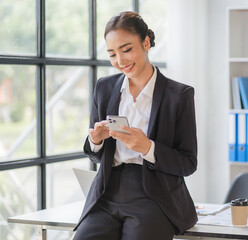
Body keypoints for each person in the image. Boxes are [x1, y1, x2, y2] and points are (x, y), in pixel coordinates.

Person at [73, 11, 198, 240]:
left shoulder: (178, 95)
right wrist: (96, 141)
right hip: (107, 193)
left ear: (146, 42)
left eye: (127, 49)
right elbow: (95, 155)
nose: (120, 61)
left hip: (153, 195)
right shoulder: (105, 88)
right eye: (112, 54)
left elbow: (188, 163)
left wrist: (148, 148)